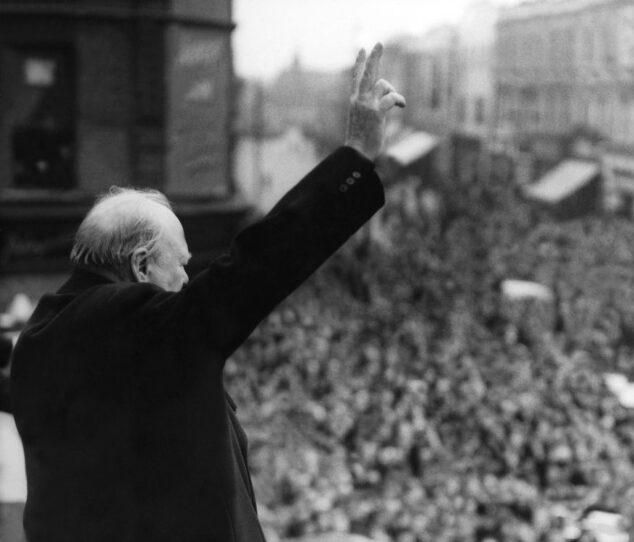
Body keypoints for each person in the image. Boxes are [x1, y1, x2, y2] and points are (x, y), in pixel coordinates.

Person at [10, 44, 405, 542]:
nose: (186, 280)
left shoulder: (39, 340)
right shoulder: (129, 321)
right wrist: (356, 158)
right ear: (140, 264)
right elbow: (252, 270)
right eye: (180, 263)